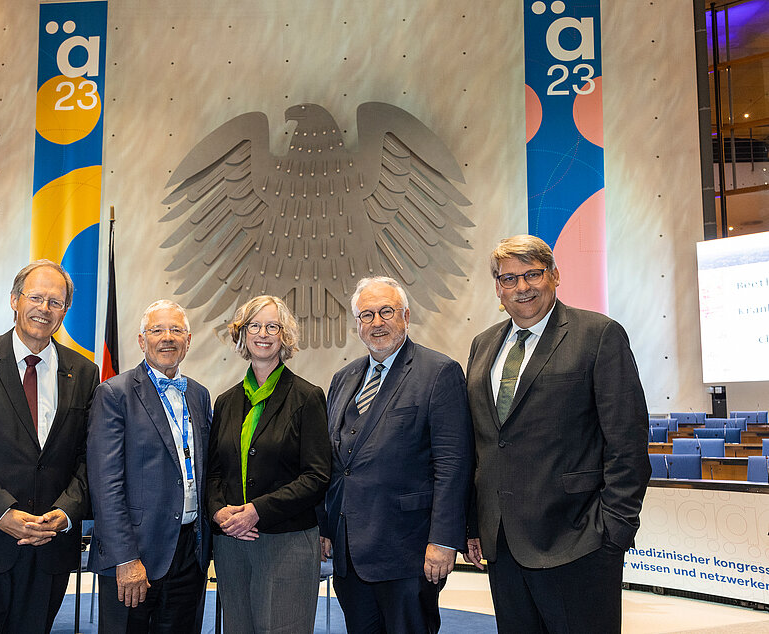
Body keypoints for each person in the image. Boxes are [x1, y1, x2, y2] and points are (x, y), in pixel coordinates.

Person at [463, 234, 651, 633]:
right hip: (503, 542)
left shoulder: (598, 334)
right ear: (498, 287)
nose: (522, 287)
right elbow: (482, 445)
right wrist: (473, 525)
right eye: (509, 278)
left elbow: (627, 442)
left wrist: (613, 530)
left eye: (533, 274)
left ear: (555, 275)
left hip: (578, 540)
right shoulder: (483, 346)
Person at [0, 259, 99, 633]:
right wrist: (3, 513)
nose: (44, 308)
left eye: (55, 302)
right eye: (36, 297)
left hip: (48, 547)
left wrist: (67, 511)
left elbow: (89, 458)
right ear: (14, 299)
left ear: (65, 310)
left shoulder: (84, 372)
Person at [320, 276, 474, 634]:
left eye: (386, 312)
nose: (377, 323)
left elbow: (453, 465)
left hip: (409, 552)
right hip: (350, 556)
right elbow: (335, 464)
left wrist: (443, 540)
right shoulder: (344, 378)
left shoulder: (439, 372)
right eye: (367, 315)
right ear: (357, 324)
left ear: (406, 315)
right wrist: (327, 528)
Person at [206, 295, 331, 634]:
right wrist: (219, 513)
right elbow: (214, 472)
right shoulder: (226, 401)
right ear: (242, 334)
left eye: (272, 326)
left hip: (286, 542)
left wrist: (256, 511)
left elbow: (316, 476)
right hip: (232, 543)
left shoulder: (307, 397)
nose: (263, 333)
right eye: (254, 326)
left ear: (285, 335)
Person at [87, 299, 212, 633]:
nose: (166, 338)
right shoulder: (114, 394)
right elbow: (105, 485)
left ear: (189, 340)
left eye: (175, 330)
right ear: (142, 341)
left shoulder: (199, 395)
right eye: (157, 330)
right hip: (136, 554)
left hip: (189, 552)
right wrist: (126, 558)